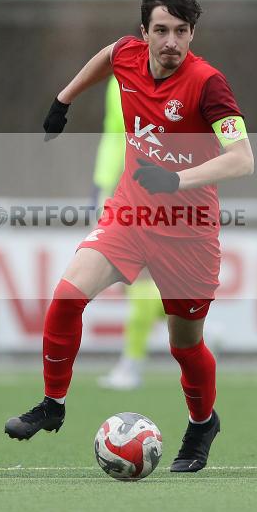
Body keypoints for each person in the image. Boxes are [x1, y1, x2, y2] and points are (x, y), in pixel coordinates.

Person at [5, 0, 254, 473]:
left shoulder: (208, 84)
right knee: (66, 297)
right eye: (161, 30)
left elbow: (243, 159)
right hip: (131, 214)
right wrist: (63, 100)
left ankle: (202, 423)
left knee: (185, 345)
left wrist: (176, 179)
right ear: (144, 32)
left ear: (192, 34)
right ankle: (53, 404)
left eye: (181, 31)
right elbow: (107, 56)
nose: (171, 42)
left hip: (189, 229)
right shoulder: (128, 55)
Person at [93, 75, 167, 391]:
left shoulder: (166, 78)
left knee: (139, 277)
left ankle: (131, 365)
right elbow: (116, 135)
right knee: (136, 280)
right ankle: (200, 330)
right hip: (122, 186)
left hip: (146, 187)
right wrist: (103, 187)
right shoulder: (121, 80)